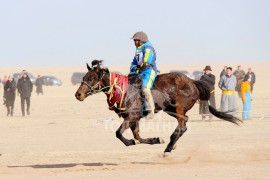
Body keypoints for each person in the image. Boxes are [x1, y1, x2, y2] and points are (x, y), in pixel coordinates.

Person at [130, 31, 157, 119]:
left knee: (145, 89)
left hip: (148, 71)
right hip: (139, 72)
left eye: (135, 41)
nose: (134, 43)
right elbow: (134, 61)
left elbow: (146, 63)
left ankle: (150, 110)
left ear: (141, 41)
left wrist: (138, 69)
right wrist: (133, 68)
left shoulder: (148, 48)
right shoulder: (138, 49)